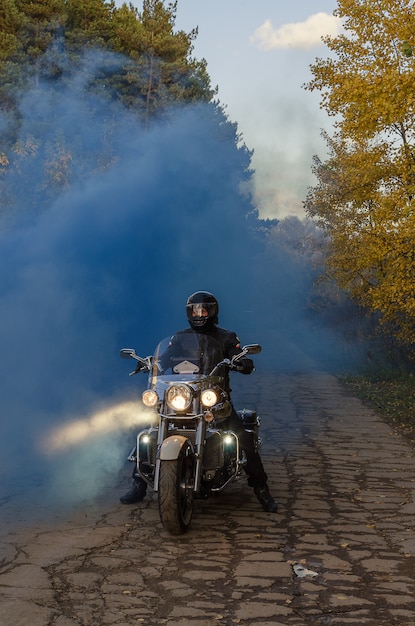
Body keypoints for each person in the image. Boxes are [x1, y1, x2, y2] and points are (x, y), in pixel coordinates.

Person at [120, 291, 277, 513]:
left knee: (244, 441)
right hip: (182, 399)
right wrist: (149, 363)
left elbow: (237, 354)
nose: (199, 314)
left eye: (204, 310)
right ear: (188, 313)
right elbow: (163, 360)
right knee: (148, 433)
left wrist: (242, 363)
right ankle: (139, 483)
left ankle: (262, 489)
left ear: (213, 312)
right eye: (195, 310)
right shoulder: (180, 338)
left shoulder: (226, 337)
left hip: (214, 401)